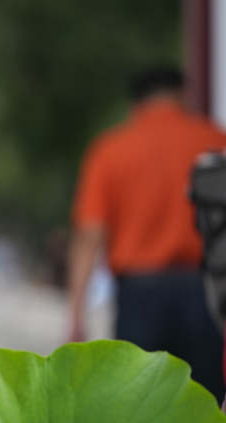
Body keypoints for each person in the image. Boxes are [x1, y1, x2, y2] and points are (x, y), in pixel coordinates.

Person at [68, 68, 226, 400]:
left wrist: (76, 314)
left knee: (139, 408)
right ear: (183, 95)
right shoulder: (214, 141)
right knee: (203, 405)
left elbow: (90, 234)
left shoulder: (111, 149)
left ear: (135, 104)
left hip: (138, 296)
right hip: (204, 294)